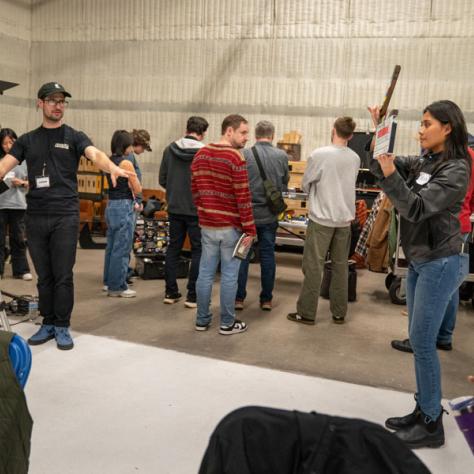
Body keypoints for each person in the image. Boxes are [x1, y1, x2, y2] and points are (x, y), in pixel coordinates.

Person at [367, 100, 470, 448]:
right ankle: (423, 408)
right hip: (420, 259)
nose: (420, 130)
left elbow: (416, 208)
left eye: (427, 124)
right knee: (419, 338)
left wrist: (392, 175)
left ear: (448, 127)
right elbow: (383, 165)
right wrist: (381, 133)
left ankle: (431, 425)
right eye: (420, 124)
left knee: (423, 343)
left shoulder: (456, 169)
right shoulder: (427, 161)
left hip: (441, 261)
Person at [0, 82, 132, 350]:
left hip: (65, 215)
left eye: (62, 101)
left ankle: (62, 325)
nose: (58, 105)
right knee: (44, 275)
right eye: (52, 100)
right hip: (36, 215)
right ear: (40, 103)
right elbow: (6, 164)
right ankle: (47, 322)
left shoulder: (74, 136)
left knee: (63, 274)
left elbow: (94, 154)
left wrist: (111, 168)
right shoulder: (27, 140)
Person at [391, 145, 474, 354]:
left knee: (436, 287)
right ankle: (444, 336)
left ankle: (420, 338)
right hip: (460, 224)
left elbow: (420, 204)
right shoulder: (461, 157)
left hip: (440, 230)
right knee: (449, 287)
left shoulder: (451, 161)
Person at [287, 117, 360, 325]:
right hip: (344, 220)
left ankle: (307, 313)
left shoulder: (319, 155)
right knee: (340, 267)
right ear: (351, 135)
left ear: (333, 130)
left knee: (313, 266)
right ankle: (339, 313)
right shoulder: (355, 158)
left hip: (321, 219)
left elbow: (306, 184)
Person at [191, 114, 256, 335]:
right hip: (231, 229)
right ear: (229, 131)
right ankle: (227, 323)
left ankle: (201, 320)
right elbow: (243, 198)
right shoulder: (235, 158)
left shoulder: (200, 154)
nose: (247, 137)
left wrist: (204, 215)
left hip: (208, 226)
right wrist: (250, 228)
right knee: (229, 276)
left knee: (205, 274)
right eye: (243, 132)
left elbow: (195, 191)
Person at [235, 120, 289, 311]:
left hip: (247, 216)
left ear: (256, 135)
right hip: (269, 215)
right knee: (267, 255)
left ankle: (239, 299)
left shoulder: (245, 154)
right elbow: (284, 183)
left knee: (242, 256)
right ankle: (266, 299)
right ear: (272, 135)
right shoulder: (281, 156)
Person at [159, 116, 209, 308]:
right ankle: (192, 296)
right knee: (198, 250)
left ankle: (170, 293)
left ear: (186, 128)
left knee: (173, 248)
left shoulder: (168, 150)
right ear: (202, 132)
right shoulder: (204, 153)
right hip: (197, 210)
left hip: (174, 207)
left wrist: (174, 191)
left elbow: (163, 179)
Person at [103, 130, 142, 298]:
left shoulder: (107, 161)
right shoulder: (126, 163)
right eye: (130, 145)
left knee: (111, 247)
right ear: (125, 145)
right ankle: (118, 286)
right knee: (122, 248)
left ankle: (108, 282)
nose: (132, 149)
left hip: (111, 204)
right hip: (124, 206)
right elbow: (137, 187)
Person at [0, 128, 32, 281]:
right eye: (4, 143)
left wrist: (22, 182)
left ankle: (21, 270)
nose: (8, 146)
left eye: (11, 142)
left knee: (18, 239)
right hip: (1, 206)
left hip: (18, 205)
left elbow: (34, 182)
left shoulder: (24, 161)